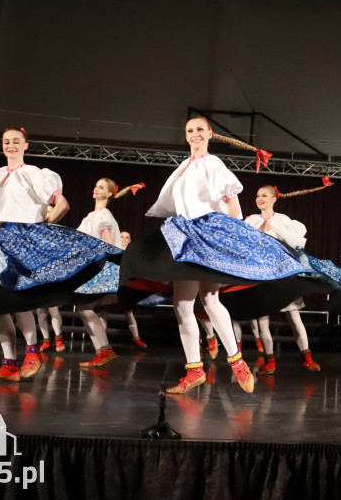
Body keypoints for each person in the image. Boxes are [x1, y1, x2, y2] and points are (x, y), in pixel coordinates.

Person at [119, 116, 311, 395]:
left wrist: (230, 238)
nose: (195, 134)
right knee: (182, 305)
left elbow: (233, 208)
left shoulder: (213, 163)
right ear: (185, 136)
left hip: (208, 234)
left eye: (199, 129)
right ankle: (194, 370)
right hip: (184, 236)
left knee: (209, 298)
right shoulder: (183, 168)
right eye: (189, 131)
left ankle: (237, 362)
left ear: (210, 133)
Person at [0, 127, 119, 382]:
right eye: (6, 142)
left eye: (16, 141)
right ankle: (9, 364)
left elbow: (62, 204)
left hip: (23, 239)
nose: (10, 145)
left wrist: (40, 228)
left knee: (16, 298)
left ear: (25, 145)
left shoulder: (33, 174)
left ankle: (32, 352)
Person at [244, 183, 333, 374]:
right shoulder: (251, 220)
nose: (260, 198)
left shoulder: (283, 220)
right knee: (262, 320)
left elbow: (296, 243)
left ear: (274, 199)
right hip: (260, 274)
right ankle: (269, 362)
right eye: (258, 195)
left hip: (282, 272)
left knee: (294, 317)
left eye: (265, 195)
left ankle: (307, 358)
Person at [70, 178, 144, 367]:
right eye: (95, 185)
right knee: (84, 309)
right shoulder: (92, 216)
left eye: (101, 187)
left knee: (84, 308)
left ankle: (105, 350)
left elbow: (109, 244)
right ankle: (103, 351)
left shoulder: (103, 216)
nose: (96, 189)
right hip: (94, 269)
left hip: (101, 269)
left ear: (109, 194)